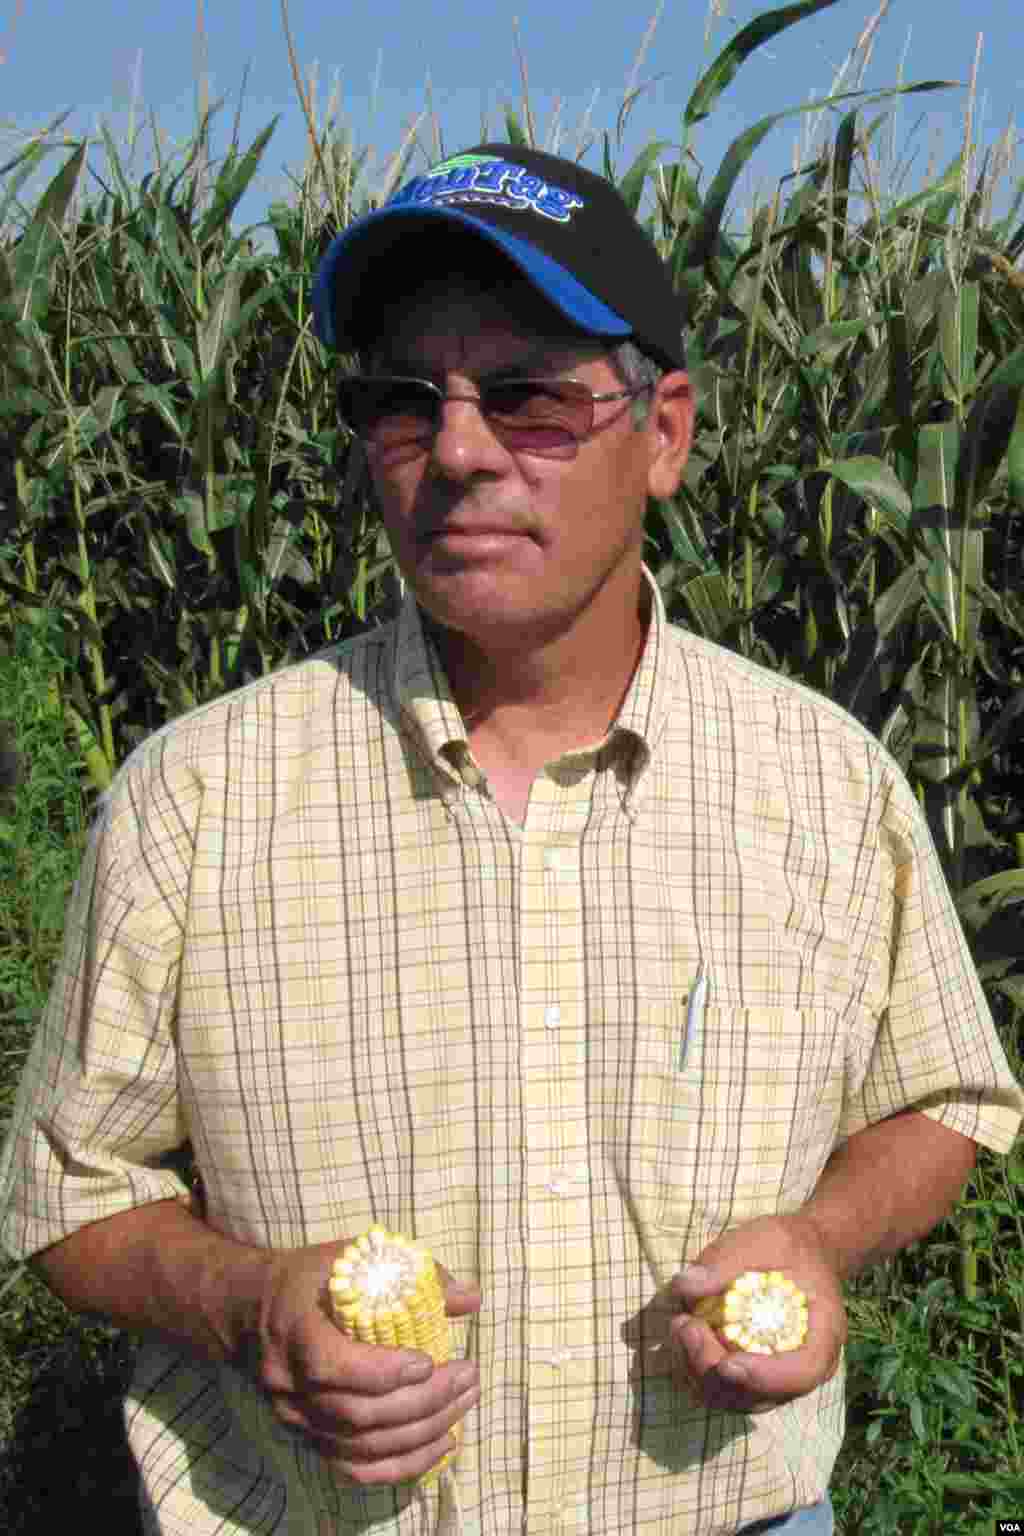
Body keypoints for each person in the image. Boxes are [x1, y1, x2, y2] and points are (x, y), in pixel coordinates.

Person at [1, 143, 1021, 1536]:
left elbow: (940, 1100)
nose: (461, 450)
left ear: (662, 433)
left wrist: (822, 1241)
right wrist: (245, 1307)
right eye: (404, 404)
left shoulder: (823, 787)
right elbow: (69, 1193)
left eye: (532, 397)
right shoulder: (201, 796)